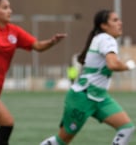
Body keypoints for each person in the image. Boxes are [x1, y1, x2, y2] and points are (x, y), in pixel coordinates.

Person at [0, 0, 67, 145]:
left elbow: (37, 46)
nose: (9, 11)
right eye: (5, 8)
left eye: (10, 7)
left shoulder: (14, 31)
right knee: (7, 123)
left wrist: (52, 42)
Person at [40, 9, 136, 145]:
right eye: (115, 20)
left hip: (100, 98)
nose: (120, 23)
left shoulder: (101, 39)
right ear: (103, 25)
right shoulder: (106, 39)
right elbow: (113, 65)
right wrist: (130, 65)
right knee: (62, 140)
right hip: (82, 98)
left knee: (126, 127)